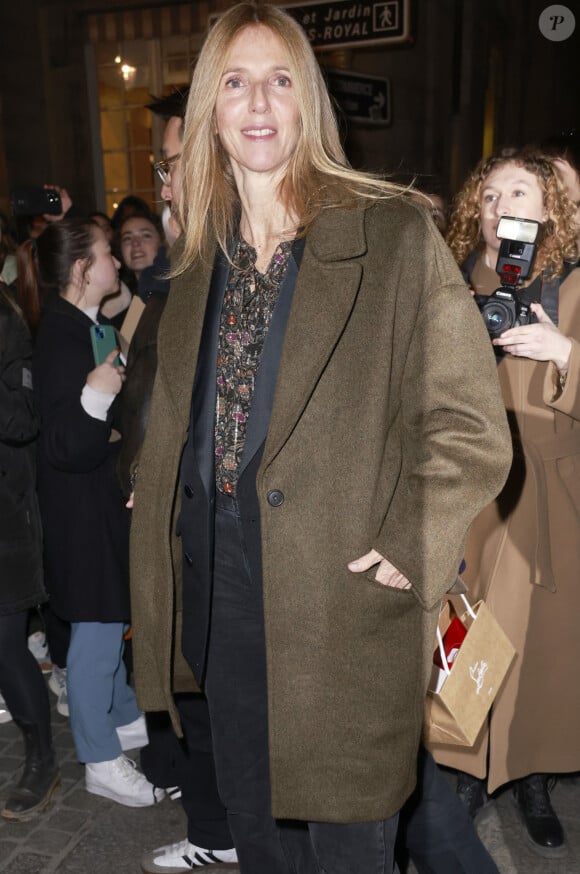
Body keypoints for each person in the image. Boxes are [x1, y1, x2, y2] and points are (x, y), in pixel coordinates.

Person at [129, 4, 511, 873]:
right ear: (209, 113)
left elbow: (467, 423)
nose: (258, 103)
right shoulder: (202, 260)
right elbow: (188, 414)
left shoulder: (390, 233)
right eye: (234, 81)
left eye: (279, 80)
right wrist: (163, 487)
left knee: (347, 852)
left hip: (338, 605)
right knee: (259, 842)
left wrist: (410, 537)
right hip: (220, 597)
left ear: (308, 102)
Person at [435, 150, 580, 855]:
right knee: (464, 636)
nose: (499, 205)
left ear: (550, 207)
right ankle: (464, 770)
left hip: (550, 496)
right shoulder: (460, 281)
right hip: (472, 491)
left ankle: (530, 777)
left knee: (536, 648)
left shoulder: (574, 287)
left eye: (518, 192)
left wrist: (566, 353)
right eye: (488, 195)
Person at [117, 87, 237, 872]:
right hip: (173, 523)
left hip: (221, 544)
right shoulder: (182, 270)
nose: (163, 185)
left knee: (217, 698)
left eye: (171, 165)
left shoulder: (238, 273)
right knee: (188, 689)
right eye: (161, 168)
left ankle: (220, 833)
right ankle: (214, 827)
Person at [20, 218, 163, 808]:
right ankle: (100, 757)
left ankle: (123, 715)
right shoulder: (59, 336)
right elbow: (62, 446)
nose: (117, 262)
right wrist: (99, 393)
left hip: (92, 503)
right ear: (82, 270)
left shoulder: (86, 325)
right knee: (96, 631)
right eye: (107, 253)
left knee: (107, 613)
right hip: (75, 509)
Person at [0, 280, 60, 821]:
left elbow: (23, 421)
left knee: (4, 642)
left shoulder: (8, 320)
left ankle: (42, 760)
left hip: (5, 516)